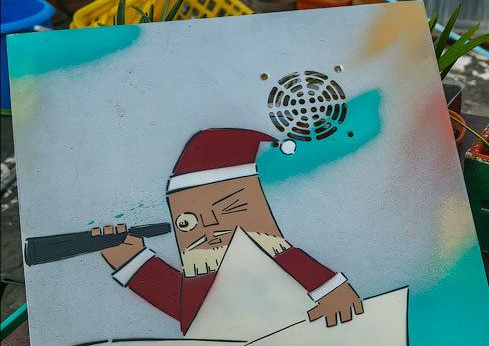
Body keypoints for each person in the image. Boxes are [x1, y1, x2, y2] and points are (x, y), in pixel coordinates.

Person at [93, 128, 363, 335]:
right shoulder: (201, 281)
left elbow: (318, 282)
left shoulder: (284, 261)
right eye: (187, 222)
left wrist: (333, 291)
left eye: (230, 209)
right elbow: (184, 306)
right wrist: (133, 262)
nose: (210, 226)